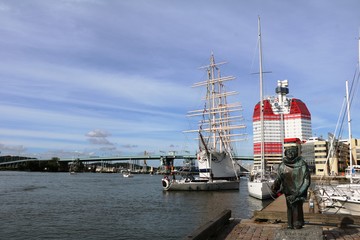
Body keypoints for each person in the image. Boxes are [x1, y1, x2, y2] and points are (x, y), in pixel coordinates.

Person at [271, 142, 311, 229]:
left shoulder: (302, 164)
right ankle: (290, 224)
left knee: (297, 207)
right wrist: (275, 187)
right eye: (288, 151)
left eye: (292, 151)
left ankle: (297, 223)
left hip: (298, 192)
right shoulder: (282, 165)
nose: (290, 153)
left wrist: (297, 193)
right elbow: (279, 178)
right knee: (289, 208)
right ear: (285, 153)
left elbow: (306, 182)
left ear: (296, 153)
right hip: (288, 192)